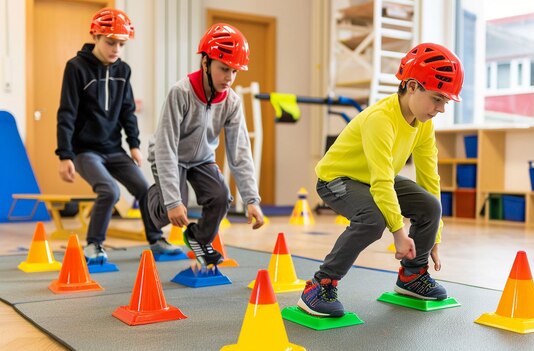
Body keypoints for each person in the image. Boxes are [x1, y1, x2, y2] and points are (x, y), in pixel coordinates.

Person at [297, 43, 464, 317]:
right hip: (336, 178)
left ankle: (412, 277)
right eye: (437, 98)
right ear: (411, 86)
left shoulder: (423, 125)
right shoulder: (380, 119)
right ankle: (319, 286)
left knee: (429, 206)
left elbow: (429, 179)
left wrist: (436, 237)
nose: (441, 108)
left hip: (374, 179)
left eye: (445, 101)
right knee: (372, 220)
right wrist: (398, 233)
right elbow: (382, 181)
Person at [56, 8, 182, 264]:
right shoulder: (76, 68)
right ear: (95, 35)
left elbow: (127, 111)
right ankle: (94, 246)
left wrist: (134, 145)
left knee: (146, 190)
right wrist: (65, 155)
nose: (116, 48)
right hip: (85, 151)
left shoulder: (123, 70)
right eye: (110, 42)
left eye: (121, 44)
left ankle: (156, 240)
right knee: (109, 191)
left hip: (114, 149)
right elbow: (66, 113)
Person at [145, 23, 265, 267]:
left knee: (221, 196)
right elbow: (166, 146)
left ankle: (198, 239)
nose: (229, 78)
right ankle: (151, 201)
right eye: (223, 69)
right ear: (205, 62)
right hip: (170, 155)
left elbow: (239, 152)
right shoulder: (180, 92)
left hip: (201, 159)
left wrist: (252, 199)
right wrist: (172, 201)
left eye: (234, 71)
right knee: (171, 209)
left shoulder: (231, 102)